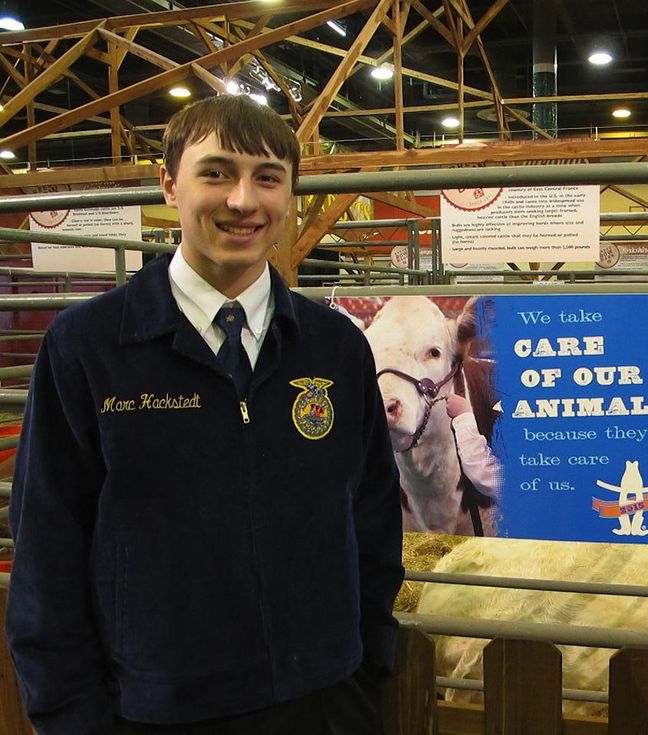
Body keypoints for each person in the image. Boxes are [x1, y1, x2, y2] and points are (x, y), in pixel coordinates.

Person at [5, 94, 404, 734]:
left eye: (267, 177)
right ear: (170, 184)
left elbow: (373, 516)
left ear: (289, 194)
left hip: (323, 700)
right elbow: (48, 547)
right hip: (156, 710)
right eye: (216, 172)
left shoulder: (334, 347)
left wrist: (364, 666)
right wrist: (73, 717)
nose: (243, 200)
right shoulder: (90, 347)